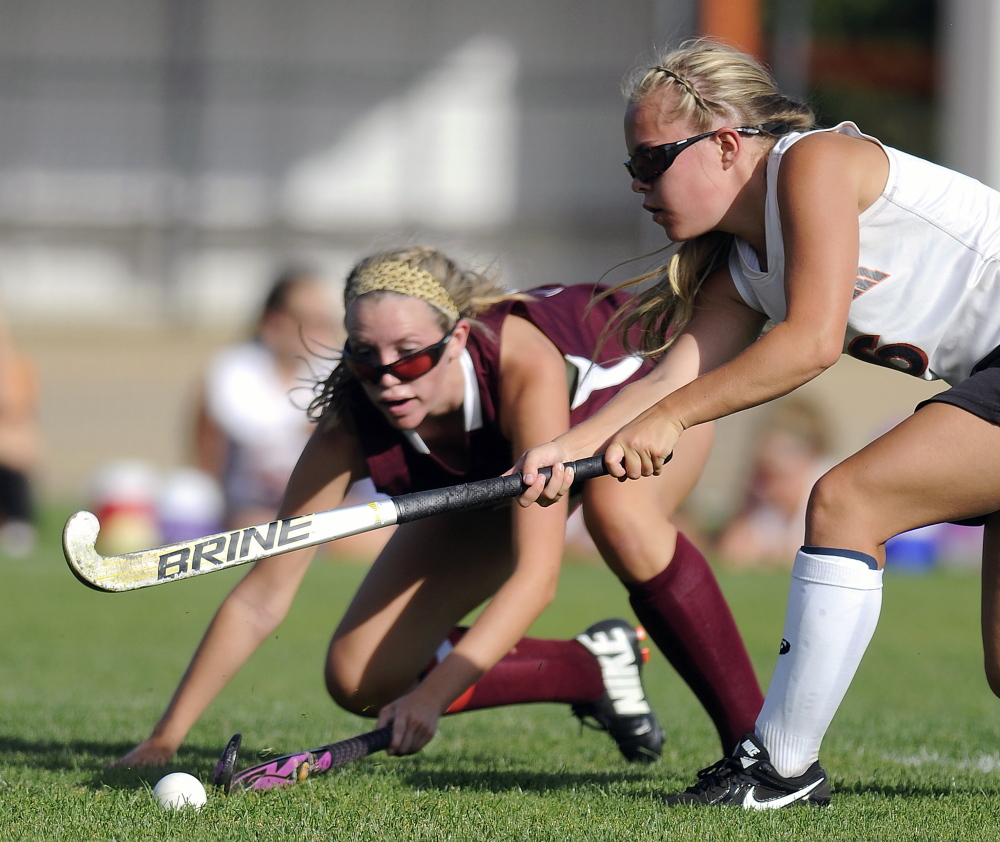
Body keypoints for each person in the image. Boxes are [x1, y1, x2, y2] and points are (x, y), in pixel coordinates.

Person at [516, 38, 1000, 808]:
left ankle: (780, 769)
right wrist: (561, 451)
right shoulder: (742, 269)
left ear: (726, 145)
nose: (639, 186)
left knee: (849, 501)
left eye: (651, 161)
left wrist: (672, 422)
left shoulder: (811, 165)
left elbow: (808, 344)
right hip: (990, 379)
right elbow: (676, 376)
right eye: (631, 167)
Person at [114, 245, 764, 768]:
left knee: (617, 518)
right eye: (365, 357)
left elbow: (535, 577)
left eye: (412, 355)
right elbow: (264, 595)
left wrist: (432, 696)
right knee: (360, 677)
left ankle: (758, 750)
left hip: (644, 409)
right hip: (501, 472)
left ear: (455, 339)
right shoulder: (349, 421)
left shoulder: (520, 366)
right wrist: (165, 739)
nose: (390, 379)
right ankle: (595, 667)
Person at [193, 267, 338, 531]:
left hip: (320, 508)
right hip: (248, 507)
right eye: (308, 320)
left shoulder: (333, 374)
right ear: (274, 321)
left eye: (324, 322)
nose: (320, 332)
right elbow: (207, 453)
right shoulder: (232, 370)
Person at [714, 397, 833, 569]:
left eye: (774, 473)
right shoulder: (769, 506)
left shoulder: (829, 489)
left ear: (810, 456)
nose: (763, 485)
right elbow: (733, 551)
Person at [0, 303, 42, 557]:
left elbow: (13, 407)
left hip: (11, 465)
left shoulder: (18, 367)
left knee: (12, 444)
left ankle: (16, 520)